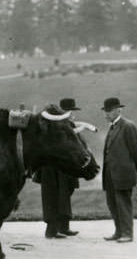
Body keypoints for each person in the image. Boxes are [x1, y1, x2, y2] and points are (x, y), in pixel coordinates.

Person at [37, 98, 98, 238]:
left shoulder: (67, 124)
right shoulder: (56, 125)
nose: (73, 114)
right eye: (71, 111)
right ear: (63, 112)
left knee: (64, 196)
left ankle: (64, 227)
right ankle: (51, 230)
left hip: (65, 168)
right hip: (53, 169)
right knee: (53, 197)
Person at [101, 97, 137, 243]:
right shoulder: (112, 127)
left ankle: (127, 233)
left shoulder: (128, 126)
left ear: (119, 110)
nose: (107, 114)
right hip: (110, 175)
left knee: (123, 204)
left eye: (110, 111)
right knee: (112, 204)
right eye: (105, 111)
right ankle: (119, 232)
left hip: (123, 174)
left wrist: (133, 171)